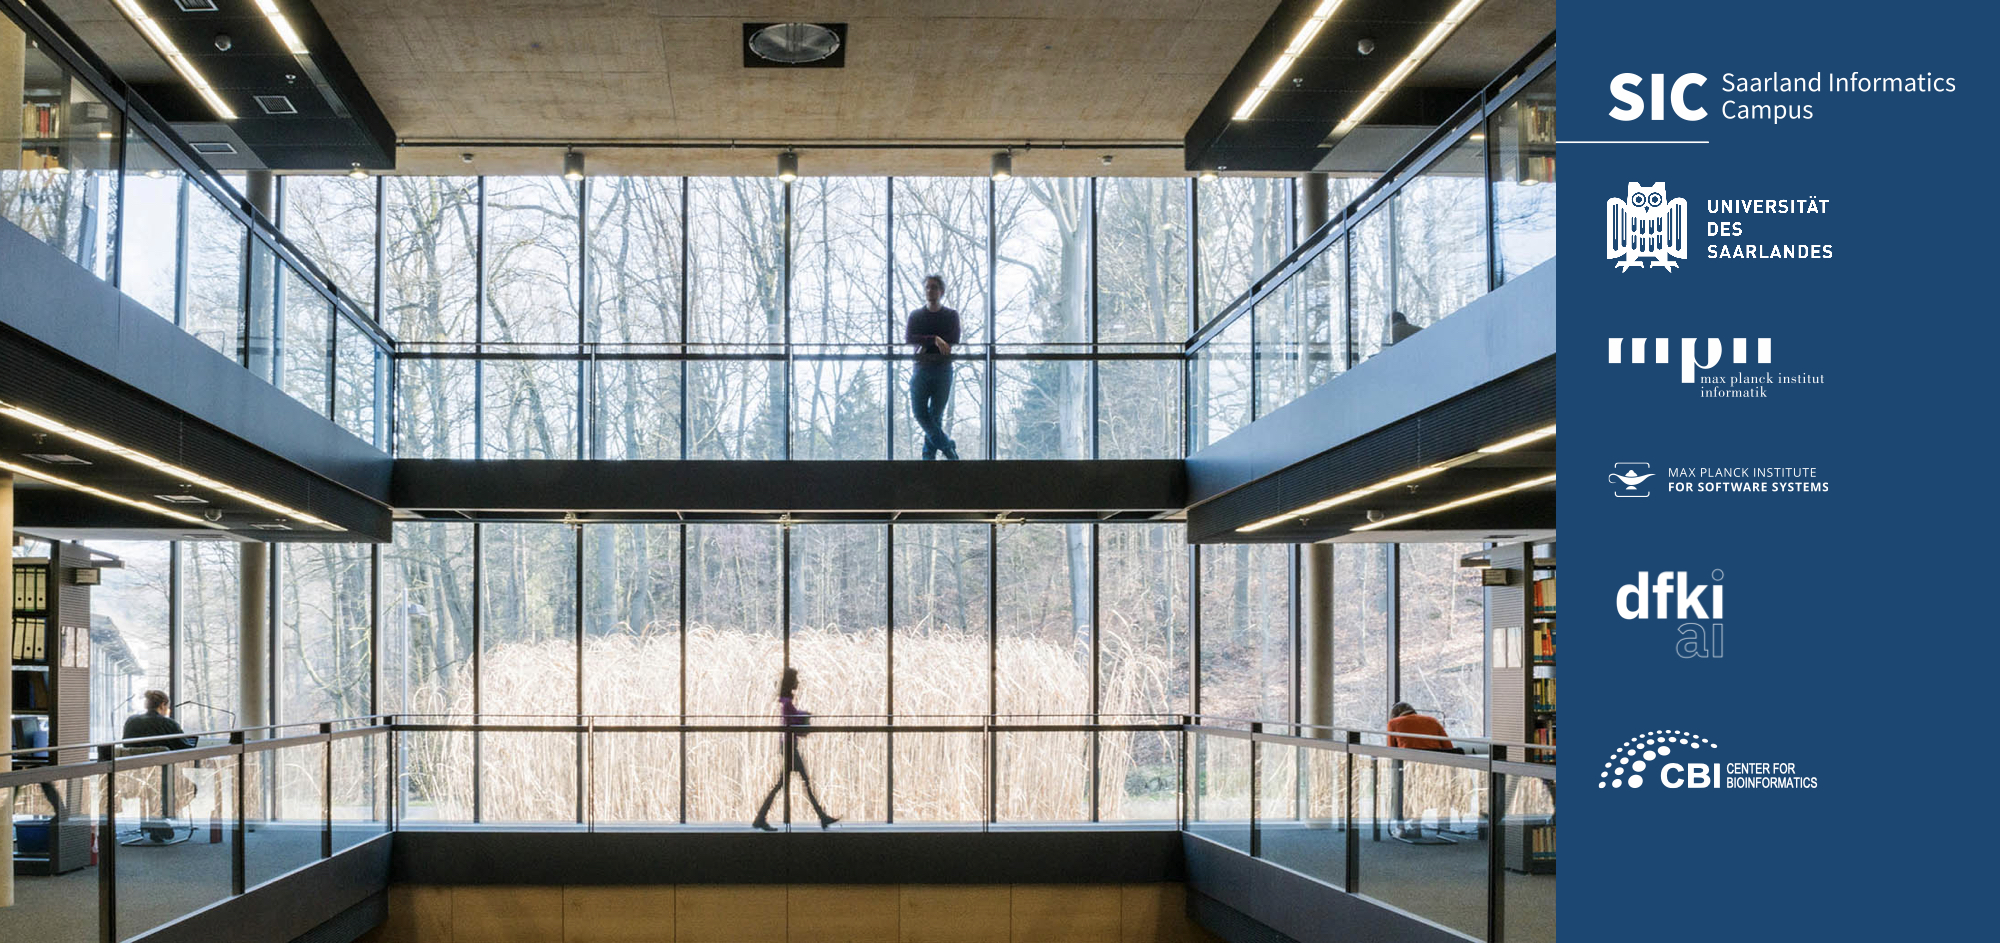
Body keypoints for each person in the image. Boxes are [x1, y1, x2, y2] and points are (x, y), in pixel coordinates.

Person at [751, 668, 840, 831]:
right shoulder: (786, 703)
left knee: (788, 783)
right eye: (796, 680)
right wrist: (804, 716)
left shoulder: (786, 702)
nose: (798, 683)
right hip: (790, 747)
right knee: (801, 782)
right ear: (790, 682)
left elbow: (791, 718)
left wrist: (801, 714)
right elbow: (791, 721)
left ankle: (761, 817)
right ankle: (821, 817)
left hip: (789, 747)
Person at [904, 274, 962, 461]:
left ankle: (928, 455)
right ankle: (947, 446)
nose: (930, 290)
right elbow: (909, 339)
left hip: (943, 369)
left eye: (934, 287)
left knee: (935, 415)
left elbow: (953, 339)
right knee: (920, 413)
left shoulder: (950, 315)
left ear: (941, 291)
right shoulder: (916, 315)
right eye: (928, 287)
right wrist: (935, 339)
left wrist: (926, 341)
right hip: (921, 368)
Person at [122, 689, 197, 750]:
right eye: (168, 707)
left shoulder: (131, 721)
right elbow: (185, 749)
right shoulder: (169, 723)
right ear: (162, 705)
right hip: (162, 766)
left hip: (134, 765)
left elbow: (126, 745)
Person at [1386, 701, 1455, 751]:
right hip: (1435, 764)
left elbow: (1391, 751)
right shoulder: (1433, 721)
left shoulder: (1393, 723)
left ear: (1394, 715)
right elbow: (1449, 747)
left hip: (1408, 764)